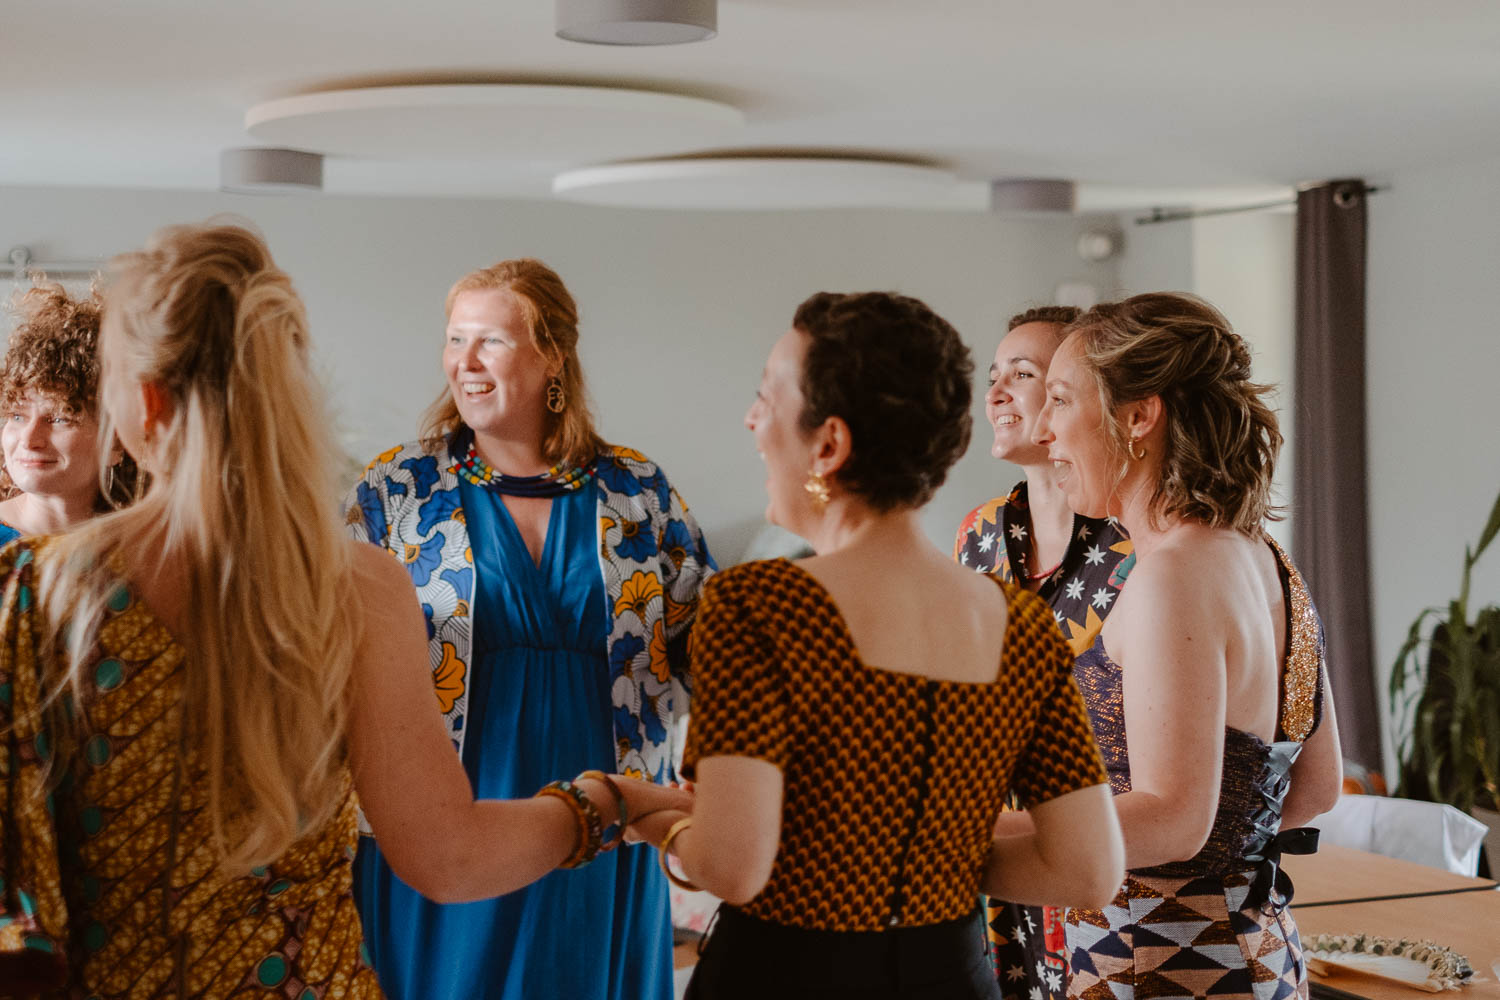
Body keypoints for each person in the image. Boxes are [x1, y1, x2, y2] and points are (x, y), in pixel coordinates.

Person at [0, 223, 686, 998]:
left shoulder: (32, 591)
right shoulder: (355, 588)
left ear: (146, 403)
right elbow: (448, 856)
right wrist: (609, 801)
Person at [629, 291, 1125, 1000]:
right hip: (953, 977)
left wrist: (641, 811)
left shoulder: (761, 605)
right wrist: (922, 852)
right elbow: (1087, 870)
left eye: (766, 398)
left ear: (827, 444)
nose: (751, 419)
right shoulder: (1021, 627)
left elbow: (732, 866)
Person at [347, 257, 714, 1000]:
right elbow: (333, 662)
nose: (465, 362)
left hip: (603, 821)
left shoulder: (638, 493)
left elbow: (709, 648)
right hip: (441, 814)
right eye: (455, 340)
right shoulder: (396, 491)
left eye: (491, 341)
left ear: (553, 355)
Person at [1030, 293, 1344, 1000]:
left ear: (1140, 415)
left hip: (1160, 964)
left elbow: (1172, 816)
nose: (1045, 428)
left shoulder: (1171, 574)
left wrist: (965, 831)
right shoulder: (1267, 558)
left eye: (1059, 398)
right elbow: (1316, 785)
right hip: (1257, 949)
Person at [954, 305, 1134, 1000]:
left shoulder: (1136, 550)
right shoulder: (977, 535)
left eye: (1023, 376)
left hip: (1106, 876)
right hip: (997, 869)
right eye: (993, 376)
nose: (997, 393)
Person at [0, 281, 137, 543]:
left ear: (116, 442)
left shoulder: (147, 551)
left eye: (59, 419)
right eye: (17, 416)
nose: (29, 440)